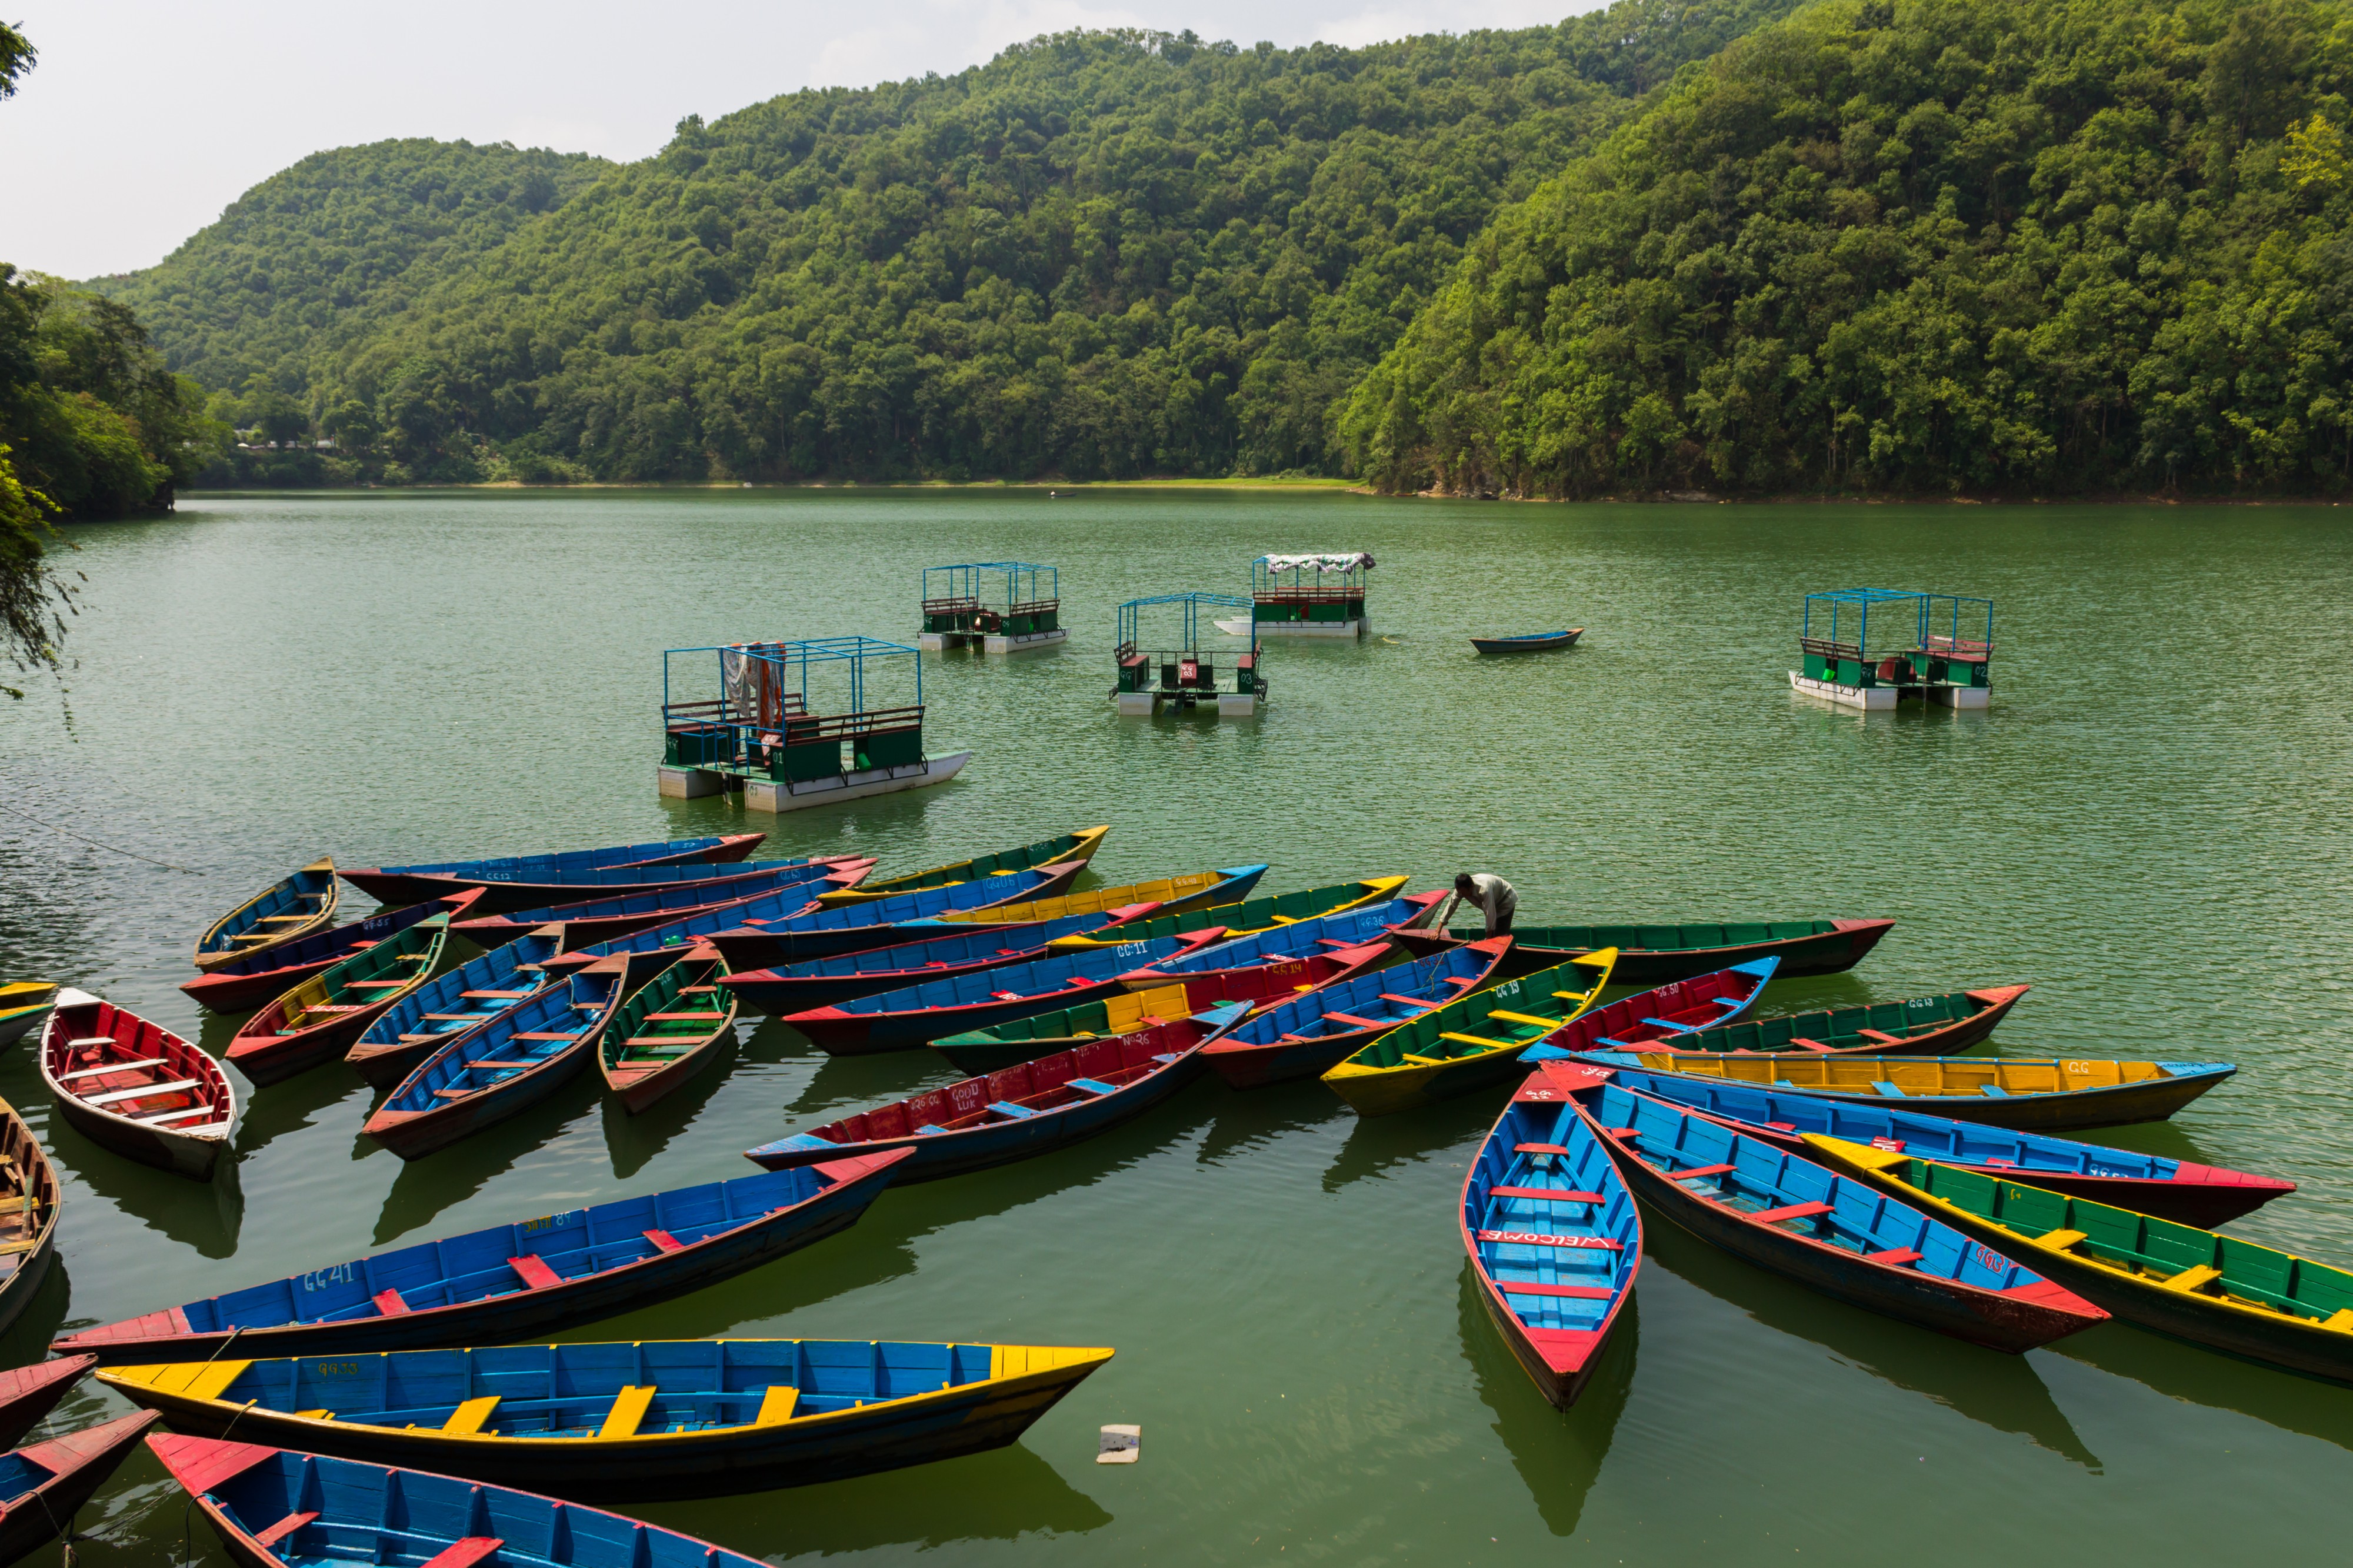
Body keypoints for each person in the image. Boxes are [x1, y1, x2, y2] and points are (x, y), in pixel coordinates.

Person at [1454, 872, 1516, 937]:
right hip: (1495, 900)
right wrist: (1442, 922)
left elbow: (1490, 914)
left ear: (1471, 887)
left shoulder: (1484, 889)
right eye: (1460, 892)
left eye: (1463, 893)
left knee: (1500, 936)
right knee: (1493, 932)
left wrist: (1488, 939)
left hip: (1506, 899)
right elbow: (1452, 905)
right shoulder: (1460, 889)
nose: (1461, 895)